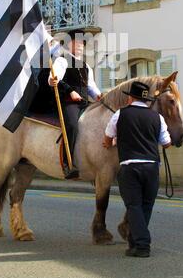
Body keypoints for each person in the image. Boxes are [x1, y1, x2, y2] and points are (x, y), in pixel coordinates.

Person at [103, 81, 171, 257]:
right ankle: (134, 241)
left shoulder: (120, 114)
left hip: (129, 166)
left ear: (130, 98)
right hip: (151, 167)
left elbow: (107, 138)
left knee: (134, 206)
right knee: (146, 206)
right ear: (146, 99)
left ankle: (142, 246)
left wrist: (114, 142)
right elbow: (167, 143)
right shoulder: (158, 117)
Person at [49, 30, 102, 179]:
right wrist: (70, 91)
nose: (79, 45)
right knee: (72, 125)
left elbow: (91, 87)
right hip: (68, 103)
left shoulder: (86, 66)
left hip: (85, 103)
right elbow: (54, 79)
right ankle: (67, 164)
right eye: (76, 42)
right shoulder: (62, 60)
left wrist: (99, 96)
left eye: (82, 43)